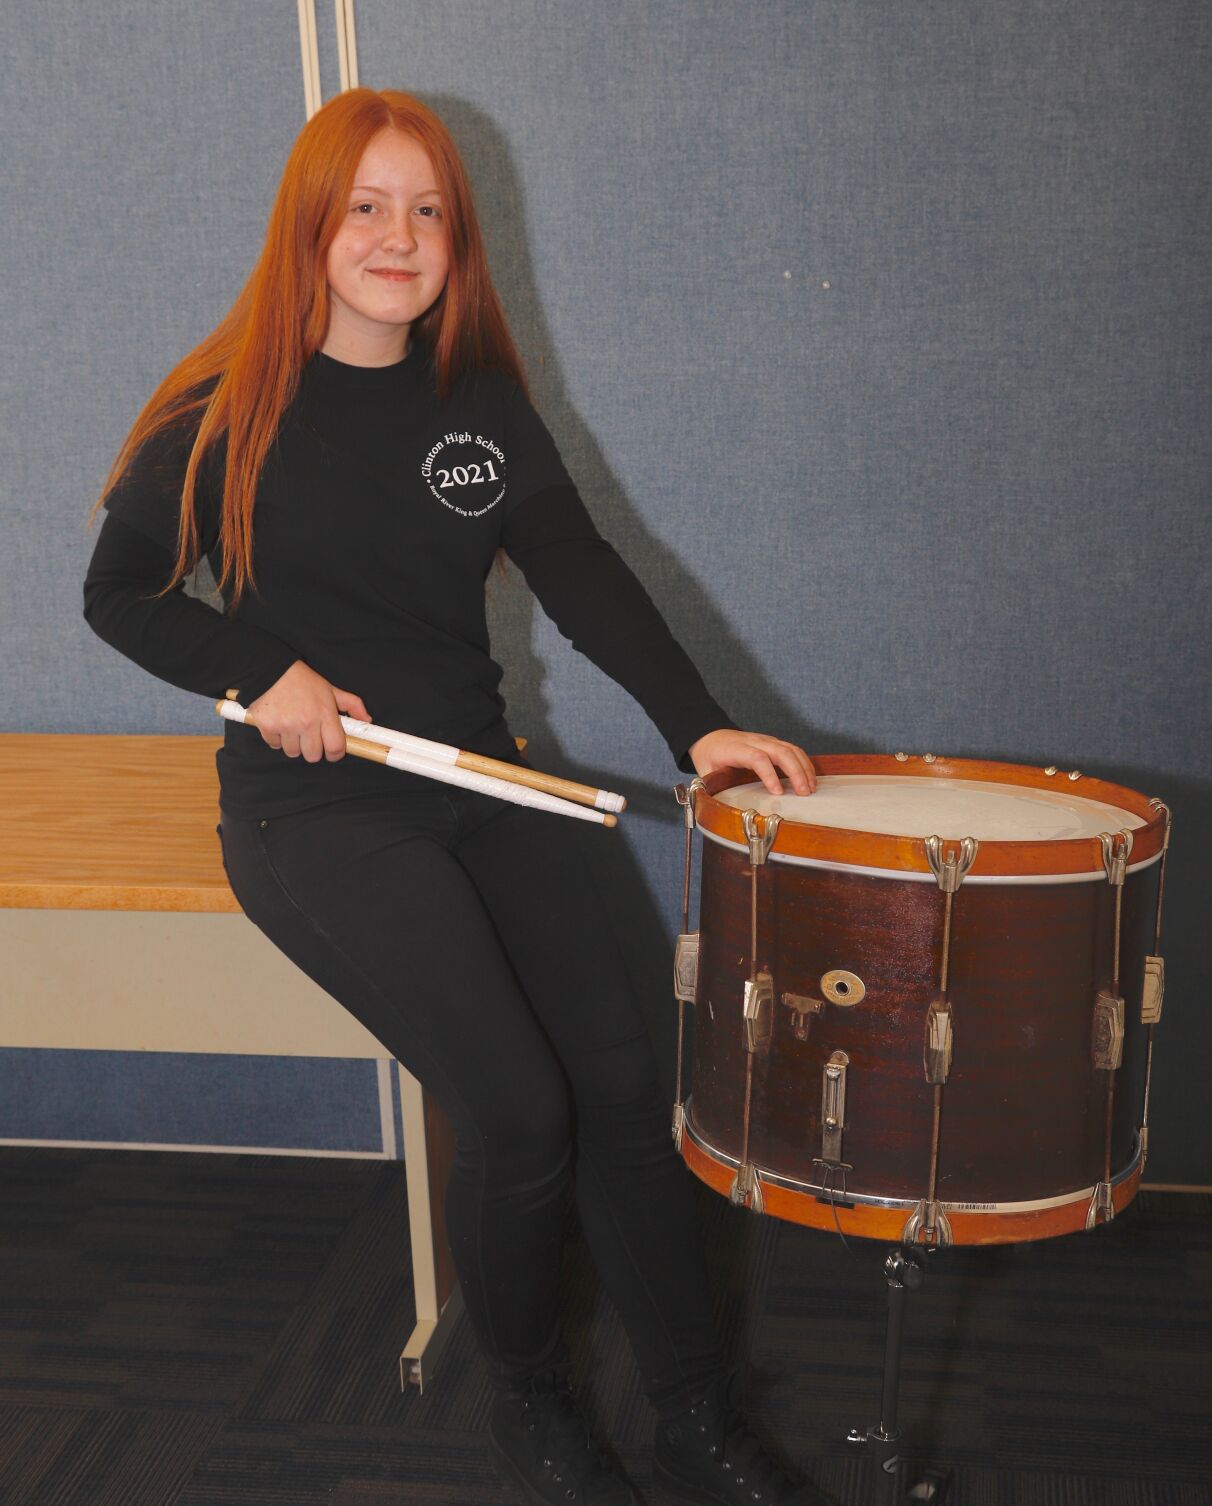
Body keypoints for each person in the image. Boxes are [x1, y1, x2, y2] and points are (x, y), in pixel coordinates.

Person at [83, 88, 834, 1506]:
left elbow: (581, 567)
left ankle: (696, 1415)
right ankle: (536, 1403)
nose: (397, 234)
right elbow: (116, 596)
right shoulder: (219, 402)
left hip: (485, 780)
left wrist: (704, 728)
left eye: (427, 210)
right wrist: (263, 673)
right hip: (317, 808)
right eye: (366, 204)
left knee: (623, 1083)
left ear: (457, 244)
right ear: (309, 224)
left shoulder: (475, 402)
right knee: (514, 1102)